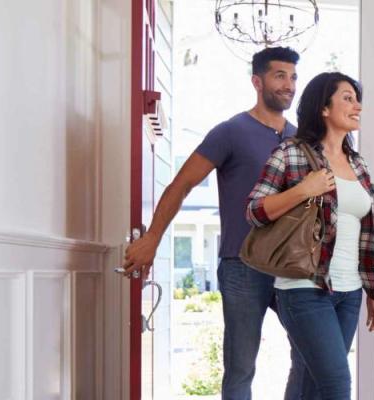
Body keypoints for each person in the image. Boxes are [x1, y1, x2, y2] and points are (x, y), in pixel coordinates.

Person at [120, 47, 309, 399]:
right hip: (243, 265)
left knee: (309, 356)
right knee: (240, 367)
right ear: (257, 81)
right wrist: (153, 238)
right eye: (279, 75)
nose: (289, 84)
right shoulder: (230, 132)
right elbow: (182, 184)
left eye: (294, 76)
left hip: (292, 267)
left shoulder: (301, 139)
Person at [246, 71, 374, 400]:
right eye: (348, 98)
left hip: (349, 294)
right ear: (324, 107)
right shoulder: (291, 153)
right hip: (305, 289)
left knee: (308, 379)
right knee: (336, 384)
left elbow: (365, 234)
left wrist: (373, 291)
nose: (357, 106)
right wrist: (303, 190)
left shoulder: (358, 163)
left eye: (357, 99)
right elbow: (254, 211)